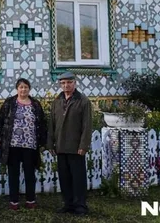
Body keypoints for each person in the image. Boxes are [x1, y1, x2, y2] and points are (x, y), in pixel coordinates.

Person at [0, 78, 47, 210]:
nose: (23, 89)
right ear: (17, 89)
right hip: (12, 144)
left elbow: (42, 124)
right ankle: (14, 201)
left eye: (26, 87)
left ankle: (30, 200)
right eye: (21, 87)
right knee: (13, 173)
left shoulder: (35, 104)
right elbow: (0, 121)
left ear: (29, 89)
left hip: (30, 145)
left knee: (29, 174)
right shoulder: (10, 103)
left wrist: (43, 142)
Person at [47, 71, 92, 215]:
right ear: (60, 84)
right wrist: (50, 144)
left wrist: (83, 146)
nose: (66, 85)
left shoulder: (83, 101)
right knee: (64, 178)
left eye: (69, 82)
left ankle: (80, 206)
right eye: (63, 83)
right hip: (60, 146)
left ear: (74, 83)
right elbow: (52, 124)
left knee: (78, 178)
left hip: (76, 147)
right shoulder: (57, 101)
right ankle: (68, 204)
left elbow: (87, 125)